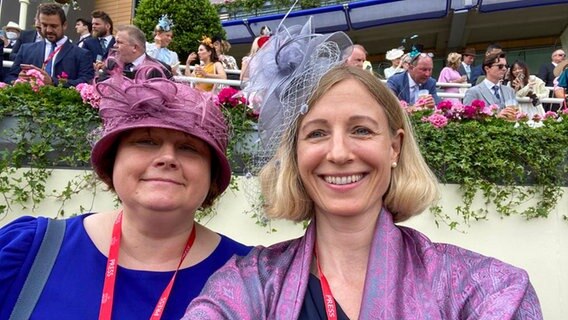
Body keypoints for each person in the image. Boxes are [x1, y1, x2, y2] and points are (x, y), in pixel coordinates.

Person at [182, 20, 542, 319]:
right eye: (317, 133)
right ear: (294, 154)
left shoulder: (485, 288)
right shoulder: (247, 285)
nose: (338, 153)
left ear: (394, 147)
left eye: (361, 130)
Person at [0, 65, 251, 319]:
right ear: (113, 159)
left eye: (189, 148)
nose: (167, 158)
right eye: (146, 141)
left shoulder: (255, 276)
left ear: (212, 174)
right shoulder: (30, 250)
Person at [5, 3, 94, 87]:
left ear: (64, 25)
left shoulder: (82, 54)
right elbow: (9, 77)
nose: (48, 30)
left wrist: (53, 82)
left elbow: (85, 82)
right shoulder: (26, 50)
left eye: (53, 26)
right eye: (44, 25)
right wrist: (18, 81)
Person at [97, 25, 172, 81]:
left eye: (119, 42)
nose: (114, 45)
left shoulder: (160, 70)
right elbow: (100, 88)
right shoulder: (112, 63)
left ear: (135, 47)